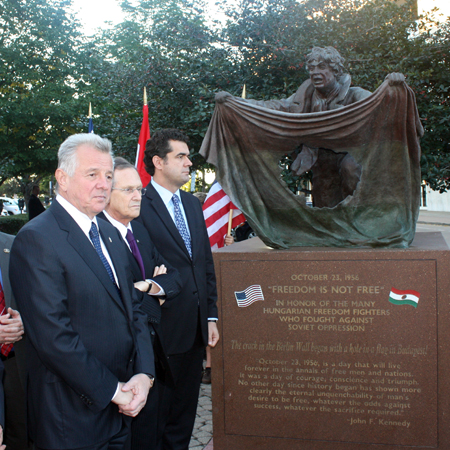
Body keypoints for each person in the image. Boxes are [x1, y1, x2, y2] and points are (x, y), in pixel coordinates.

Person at [9, 133, 154, 450]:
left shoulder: (108, 232)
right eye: (92, 175)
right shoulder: (37, 239)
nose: (104, 184)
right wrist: (115, 392)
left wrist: (144, 374)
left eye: (108, 176)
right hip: (71, 416)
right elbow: (54, 337)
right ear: (62, 178)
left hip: (122, 409)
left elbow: (135, 310)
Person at [216, 46, 405, 208]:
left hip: (353, 155)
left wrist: (393, 87)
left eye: (322, 67)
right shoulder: (303, 98)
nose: (315, 72)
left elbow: (381, 105)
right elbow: (275, 106)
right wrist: (237, 102)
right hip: (320, 160)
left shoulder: (354, 95)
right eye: (312, 68)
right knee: (325, 207)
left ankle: (365, 217)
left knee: (351, 168)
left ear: (336, 71)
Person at [137, 129, 219, 450]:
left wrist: (210, 316)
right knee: (155, 421)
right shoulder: (140, 207)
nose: (189, 163)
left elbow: (204, 265)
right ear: (158, 161)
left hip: (195, 332)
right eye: (181, 156)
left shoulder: (192, 204)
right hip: (160, 335)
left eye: (188, 156)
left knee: (183, 421)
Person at [99, 157, 182, 450]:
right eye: (128, 190)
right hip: (119, 368)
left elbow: (175, 278)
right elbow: (114, 303)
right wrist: (152, 298)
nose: (138, 196)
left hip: (153, 358)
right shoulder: (94, 237)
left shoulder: (139, 232)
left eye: (140, 190)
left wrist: (149, 286)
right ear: (105, 194)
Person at [0, 231, 30, 450]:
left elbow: (40, 296)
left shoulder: (16, 244)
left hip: (17, 360)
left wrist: (24, 322)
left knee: (22, 434)